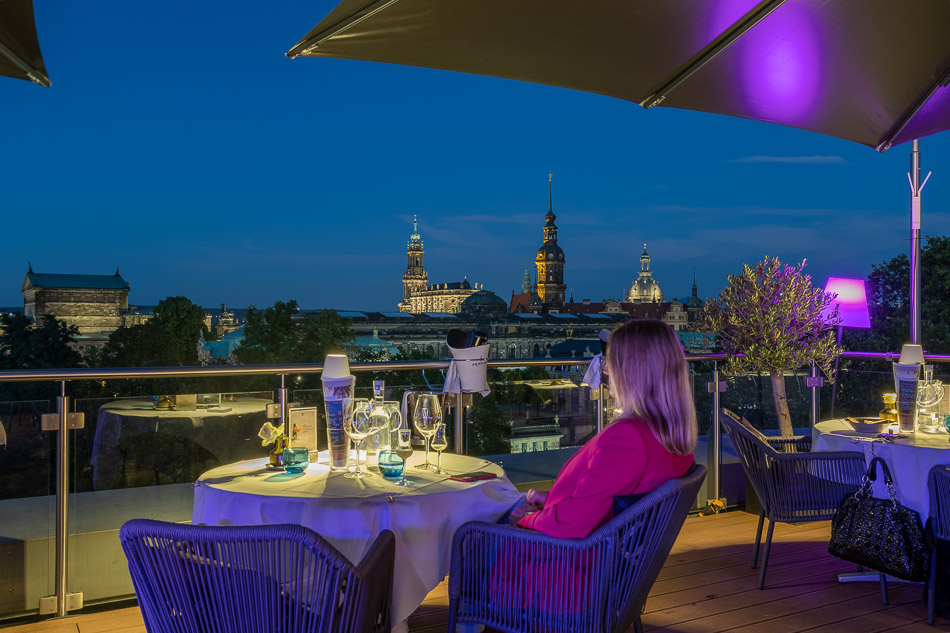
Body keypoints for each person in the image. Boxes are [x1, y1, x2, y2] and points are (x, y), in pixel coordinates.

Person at [509, 319, 698, 538]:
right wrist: (552, 500)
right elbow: (607, 499)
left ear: (635, 372)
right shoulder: (667, 436)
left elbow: (573, 524)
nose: (606, 370)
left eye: (611, 361)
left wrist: (526, 519)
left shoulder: (629, 438)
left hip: (557, 553)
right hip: (599, 547)